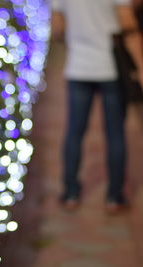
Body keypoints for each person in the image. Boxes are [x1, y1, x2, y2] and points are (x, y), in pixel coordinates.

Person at [50, 0, 143, 213]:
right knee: (115, 134)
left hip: (78, 67)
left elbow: (57, 29)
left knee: (74, 131)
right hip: (110, 67)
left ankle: (71, 192)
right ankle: (114, 196)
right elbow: (128, 26)